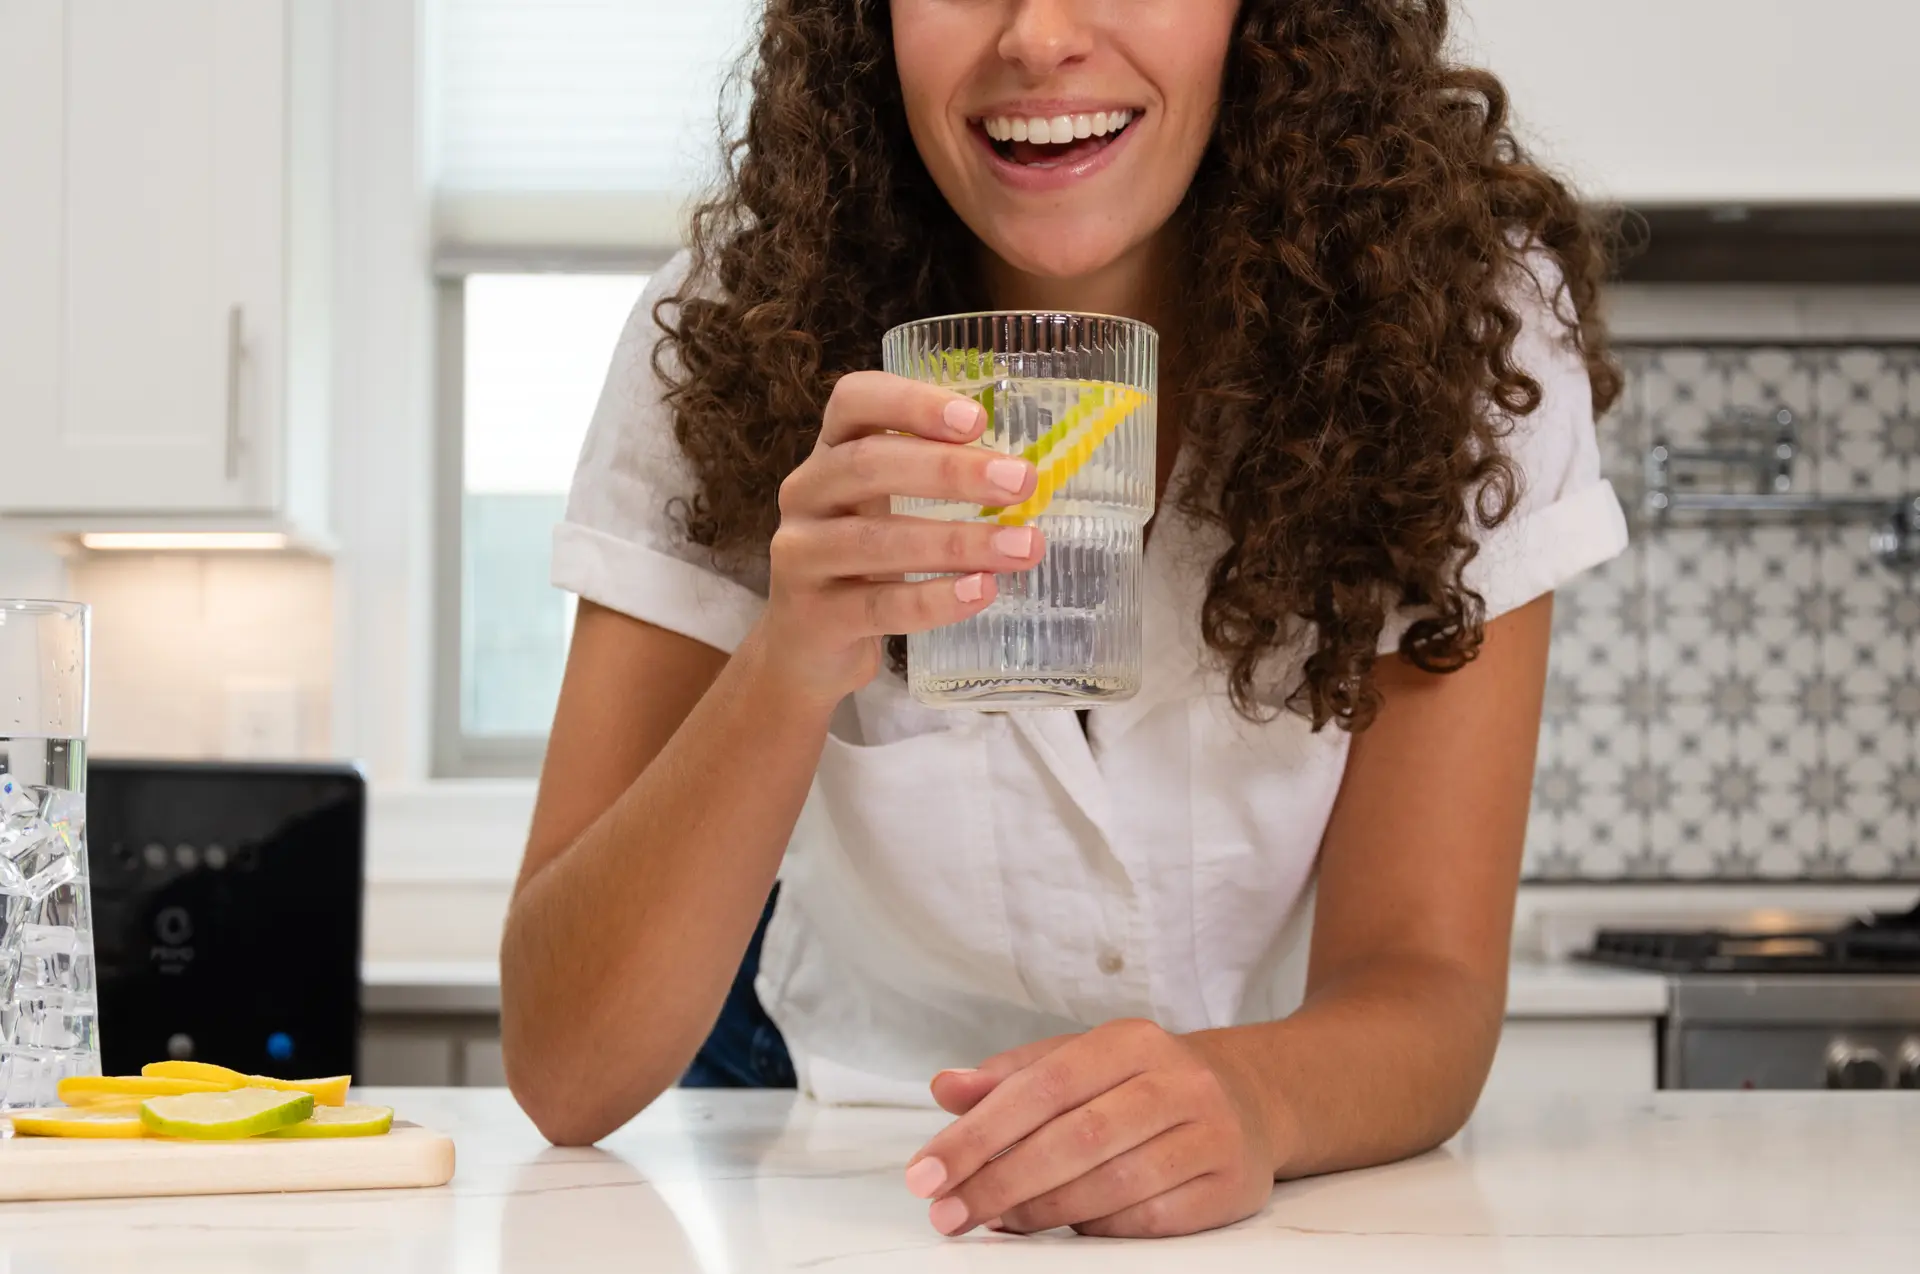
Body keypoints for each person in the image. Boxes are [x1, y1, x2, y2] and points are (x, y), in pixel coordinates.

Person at [502, 0, 1628, 1241]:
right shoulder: (729, 334)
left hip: (1256, 1186)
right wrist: (789, 658)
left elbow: (1427, 981)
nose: (1037, 35)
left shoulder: (1460, 329)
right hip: (846, 1175)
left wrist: (1248, 1092)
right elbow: (567, 1068)